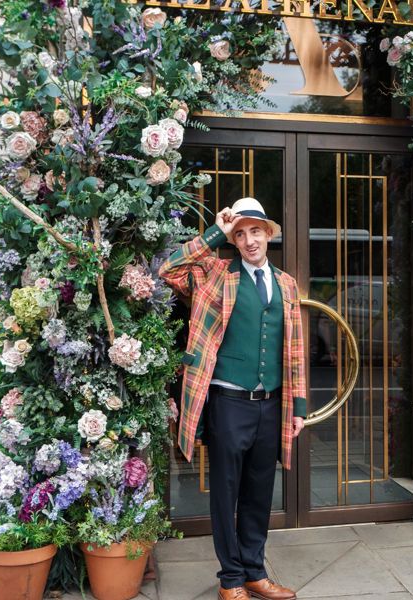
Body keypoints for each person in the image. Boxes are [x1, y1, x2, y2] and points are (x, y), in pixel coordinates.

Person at [159, 197, 307, 600]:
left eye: (254, 231)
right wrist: (215, 233)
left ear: (268, 235)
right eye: (240, 234)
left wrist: (298, 409)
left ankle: (255, 572)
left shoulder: (286, 284)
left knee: (259, 490)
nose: (248, 240)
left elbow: (294, 351)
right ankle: (230, 579)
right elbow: (168, 269)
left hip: (271, 404)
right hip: (228, 401)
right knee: (226, 491)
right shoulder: (215, 274)